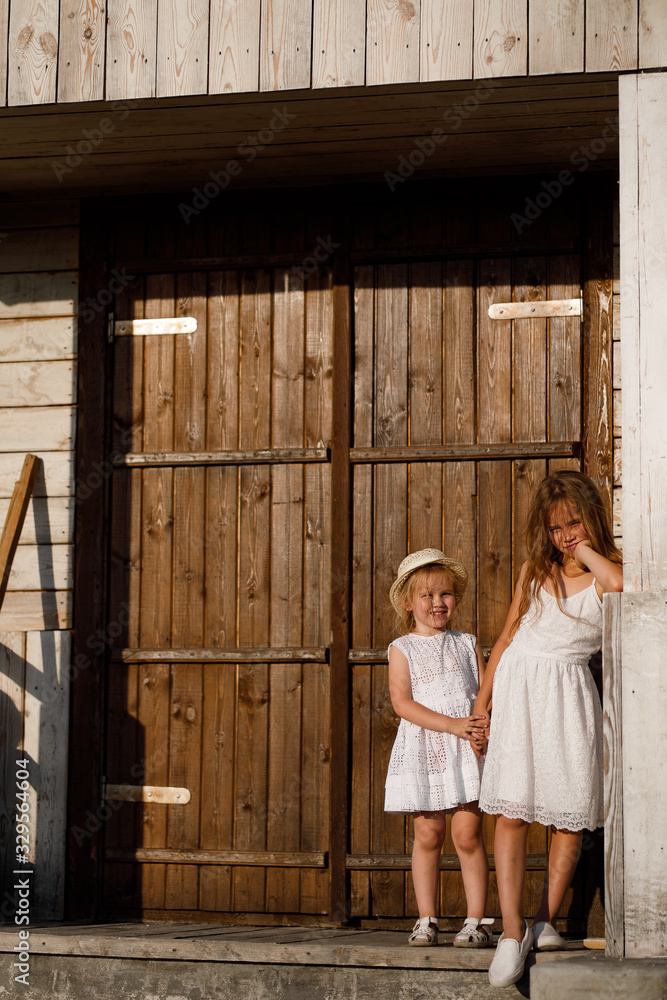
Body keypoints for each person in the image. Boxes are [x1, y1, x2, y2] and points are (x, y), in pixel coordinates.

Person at [474, 470, 623, 988]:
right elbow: (508, 635)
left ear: (592, 520)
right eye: (556, 527)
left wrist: (586, 553)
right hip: (519, 689)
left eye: (574, 523)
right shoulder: (534, 571)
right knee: (512, 810)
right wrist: (481, 703)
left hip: (569, 694)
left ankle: (545, 920)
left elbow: (619, 585)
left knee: (569, 818)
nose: (565, 535)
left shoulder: (606, 575)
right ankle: (512, 931)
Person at [384, 548, 492, 948]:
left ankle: (476, 920)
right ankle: (426, 918)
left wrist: (481, 727)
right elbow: (402, 703)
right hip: (427, 745)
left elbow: (484, 695)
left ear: (455, 599)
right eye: (426, 596)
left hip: (467, 748)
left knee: (468, 835)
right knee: (429, 834)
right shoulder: (402, 648)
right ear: (408, 603)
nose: (436, 603)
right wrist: (452, 725)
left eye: (444, 594)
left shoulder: (467, 643)